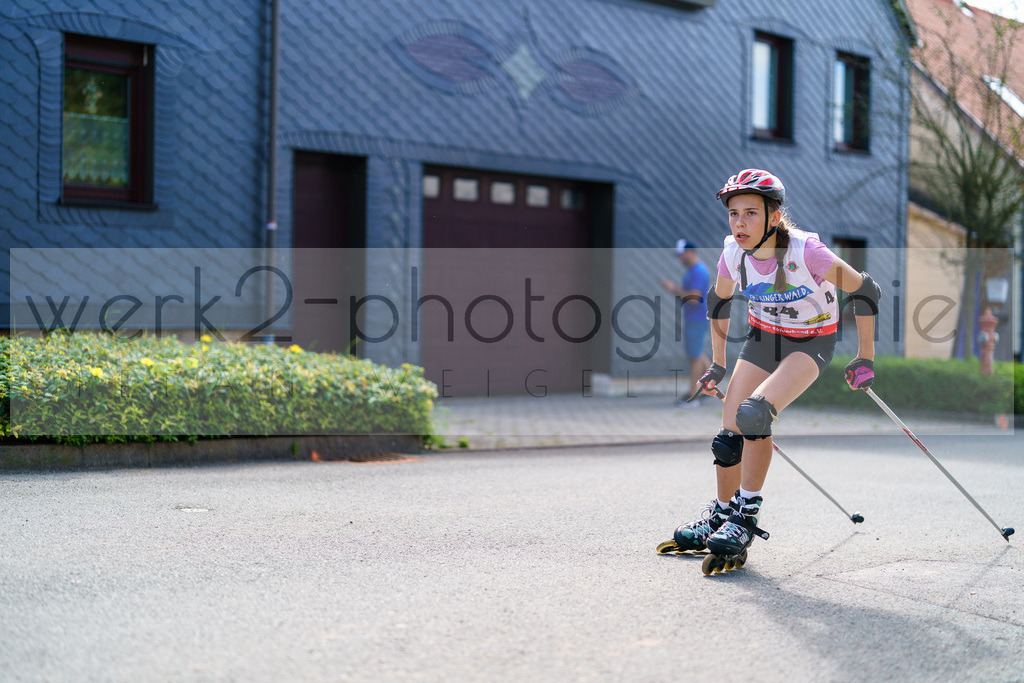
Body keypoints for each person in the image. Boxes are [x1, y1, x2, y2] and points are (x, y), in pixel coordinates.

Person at [665, 169, 879, 567]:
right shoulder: (733, 253)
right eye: (733, 213)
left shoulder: (807, 253)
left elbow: (866, 289)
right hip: (764, 340)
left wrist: (865, 356)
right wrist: (718, 364)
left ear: (774, 216)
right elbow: (719, 302)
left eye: (750, 213)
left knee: (754, 413)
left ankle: (744, 518)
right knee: (727, 438)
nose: (739, 223)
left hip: (812, 341)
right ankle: (721, 514)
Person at [661, 239, 711, 406]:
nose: (680, 258)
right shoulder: (693, 270)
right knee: (697, 353)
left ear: (690, 252)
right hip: (694, 317)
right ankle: (710, 387)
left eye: (681, 255)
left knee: (694, 357)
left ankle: (693, 395)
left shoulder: (698, 271)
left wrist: (674, 289)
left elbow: (694, 298)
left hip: (696, 317)